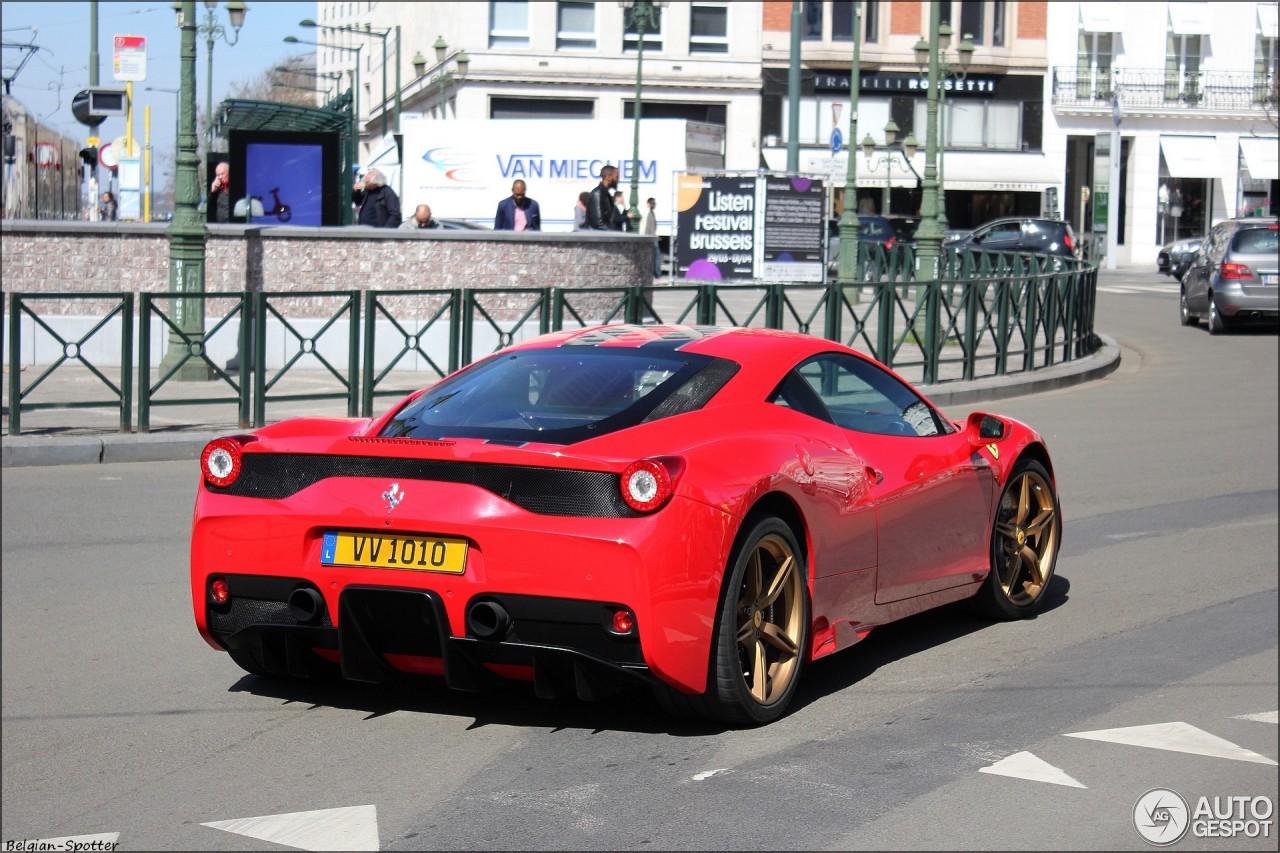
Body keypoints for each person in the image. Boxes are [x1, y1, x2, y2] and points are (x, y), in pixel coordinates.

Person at [586, 165, 620, 231]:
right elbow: (599, 224)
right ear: (608, 178)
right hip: (597, 239)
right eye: (616, 177)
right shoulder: (598, 194)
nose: (618, 180)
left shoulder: (605, 194)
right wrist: (615, 235)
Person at [641, 197, 662, 277]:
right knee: (656, 256)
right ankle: (657, 273)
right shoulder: (648, 214)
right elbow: (646, 228)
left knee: (655, 256)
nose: (653, 205)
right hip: (650, 238)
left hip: (652, 237)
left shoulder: (651, 213)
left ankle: (655, 272)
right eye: (652, 203)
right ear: (649, 204)